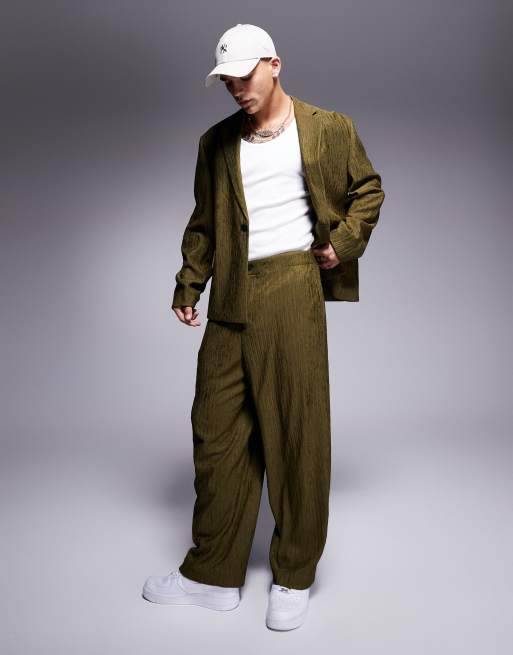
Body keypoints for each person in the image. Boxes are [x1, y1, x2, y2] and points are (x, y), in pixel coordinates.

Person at [142, 23, 385, 631]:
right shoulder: (216, 143)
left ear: (274, 64)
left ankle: (294, 573)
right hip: (232, 292)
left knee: (297, 431)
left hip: (292, 287)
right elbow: (203, 222)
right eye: (226, 80)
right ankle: (213, 574)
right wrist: (189, 282)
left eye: (244, 75)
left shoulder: (328, 127)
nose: (236, 88)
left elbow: (368, 190)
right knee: (216, 432)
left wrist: (343, 243)